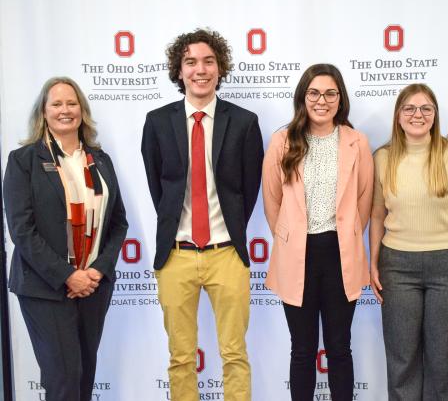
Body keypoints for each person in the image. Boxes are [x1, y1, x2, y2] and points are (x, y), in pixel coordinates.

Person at [141, 28, 263, 401]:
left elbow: (248, 188)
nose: (200, 69)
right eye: (191, 61)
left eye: (209, 61)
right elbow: (158, 186)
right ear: (179, 70)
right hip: (176, 255)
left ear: (220, 67)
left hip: (226, 254)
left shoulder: (243, 122)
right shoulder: (158, 121)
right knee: (180, 358)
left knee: (234, 354)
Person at [3, 77, 128, 401]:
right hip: (44, 288)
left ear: (82, 111)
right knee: (64, 379)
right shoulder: (23, 160)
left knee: (84, 375)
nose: (65, 110)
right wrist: (68, 276)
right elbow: (22, 230)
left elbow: (118, 224)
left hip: (93, 285)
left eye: (71, 103)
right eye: (56, 104)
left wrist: (96, 271)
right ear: (43, 112)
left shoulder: (99, 160)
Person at [262, 63, 373, 401]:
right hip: (298, 254)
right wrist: (291, 239)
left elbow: (364, 199)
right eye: (314, 93)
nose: (321, 100)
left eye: (330, 93)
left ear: (340, 99)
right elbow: (272, 201)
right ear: (303, 97)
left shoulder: (357, 141)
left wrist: (349, 235)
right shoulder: (282, 141)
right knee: (302, 348)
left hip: (341, 254)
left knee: (340, 346)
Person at [369, 83, 448, 400]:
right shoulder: (382, 158)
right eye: (410, 109)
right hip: (397, 267)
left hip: (447, 267)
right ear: (398, 116)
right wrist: (373, 263)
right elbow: (377, 216)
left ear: (435, 115)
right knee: (402, 360)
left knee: (442, 361)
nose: (418, 115)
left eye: (425, 108)